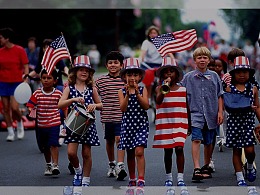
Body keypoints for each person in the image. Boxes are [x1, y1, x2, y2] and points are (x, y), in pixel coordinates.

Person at [180, 46, 224, 181]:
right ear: (194, 60)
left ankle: (206, 165)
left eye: (205, 57)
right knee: (196, 139)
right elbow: (181, 93)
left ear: (209, 60)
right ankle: (196, 167)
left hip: (211, 113)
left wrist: (220, 112)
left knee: (209, 142)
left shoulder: (214, 76)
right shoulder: (188, 77)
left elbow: (219, 95)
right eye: (199, 58)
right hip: (195, 114)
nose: (202, 60)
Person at [58, 55, 102, 187]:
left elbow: (101, 105)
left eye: (86, 70)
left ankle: (86, 179)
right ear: (75, 72)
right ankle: (78, 170)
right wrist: (73, 100)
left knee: (86, 153)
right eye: (81, 69)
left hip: (88, 125)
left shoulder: (91, 89)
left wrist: (95, 105)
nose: (84, 72)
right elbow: (60, 104)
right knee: (71, 153)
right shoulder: (69, 88)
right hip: (73, 125)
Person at [152, 57, 191, 195]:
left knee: (179, 148)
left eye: (171, 72)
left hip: (180, 122)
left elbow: (187, 107)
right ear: (162, 75)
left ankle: (180, 177)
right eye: (166, 72)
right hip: (165, 123)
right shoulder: (159, 88)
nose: (169, 74)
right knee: (168, 151)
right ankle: (168, 177)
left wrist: (189, 125)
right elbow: (158, 100)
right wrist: (164, 88)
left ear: (176, 73)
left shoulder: (183, 89)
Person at [224, 56, 260, 186]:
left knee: (250, 151)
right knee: (236, 150)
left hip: (248, 123)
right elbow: (228, 106)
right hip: (234, 123)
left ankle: (250, 166)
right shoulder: (229, 88)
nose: (242, 75)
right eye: (238, 72)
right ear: (234, 74)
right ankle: (240, 177)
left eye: (245, 72)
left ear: (249, 74)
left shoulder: (253, 89)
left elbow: (257, 107)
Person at [118, 58, 149, 194]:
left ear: (140, 76)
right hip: (127, 125)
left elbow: (146, 106)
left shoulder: (143, 89)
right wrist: (127, 95)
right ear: (124, 77)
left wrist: (136, 93)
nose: (132, 78)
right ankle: (132, 178)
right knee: (130, 153)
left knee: (139, 152)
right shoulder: (121, 91)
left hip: (140, 124)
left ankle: (141, 179)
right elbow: (122, 108)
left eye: (135, 75)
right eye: (129, 75)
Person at [95, 51, 127, 180]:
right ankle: (112, 164)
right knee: (109, 141)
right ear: (106, 65)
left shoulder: (125, 80)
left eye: (116, 62)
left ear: (121, 65)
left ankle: (120, 165)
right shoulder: (101, 80)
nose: (113, 65)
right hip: (107, 116)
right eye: (110, 63)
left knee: (119, 139)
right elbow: (91, 91)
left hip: (122, 116)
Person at [26, 69, 62, 176]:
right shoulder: (37, 93)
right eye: (44, 78)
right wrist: (32, 111)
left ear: (55, 81)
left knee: (54, 144)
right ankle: (48, 164)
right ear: (41, 79)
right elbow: (30, 105)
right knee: (45, 146)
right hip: (41, 124)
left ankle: (55, 165)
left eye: (49, 78)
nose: (46, 80)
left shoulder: (58, 93)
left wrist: (65, 117)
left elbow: (63, 106)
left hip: (54, 123)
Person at [0, 27, 29, 141]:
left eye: (1, 38)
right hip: (3, 82)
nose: (0, 39)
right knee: (5, 109)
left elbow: (26, 65)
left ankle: (20, 122)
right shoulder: (0, 51)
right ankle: (10, 131)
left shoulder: (19, 50)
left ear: (7, 38)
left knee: (14, 107)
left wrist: (26, 78)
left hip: (16, 82)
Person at [140, 25, 174, 105]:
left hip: (159, 64)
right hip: (148, 64)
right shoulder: (146, 42)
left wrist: (173, 60)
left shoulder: (161, 42)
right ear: (148, 34)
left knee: (166, 77)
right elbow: (142, 54)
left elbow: (169, 52)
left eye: (155, 33)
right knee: (148, 78)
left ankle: (164, 93)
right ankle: (148, 97)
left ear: (158, 34)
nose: (153, 34)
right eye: (151, 33)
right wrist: (140, 60)